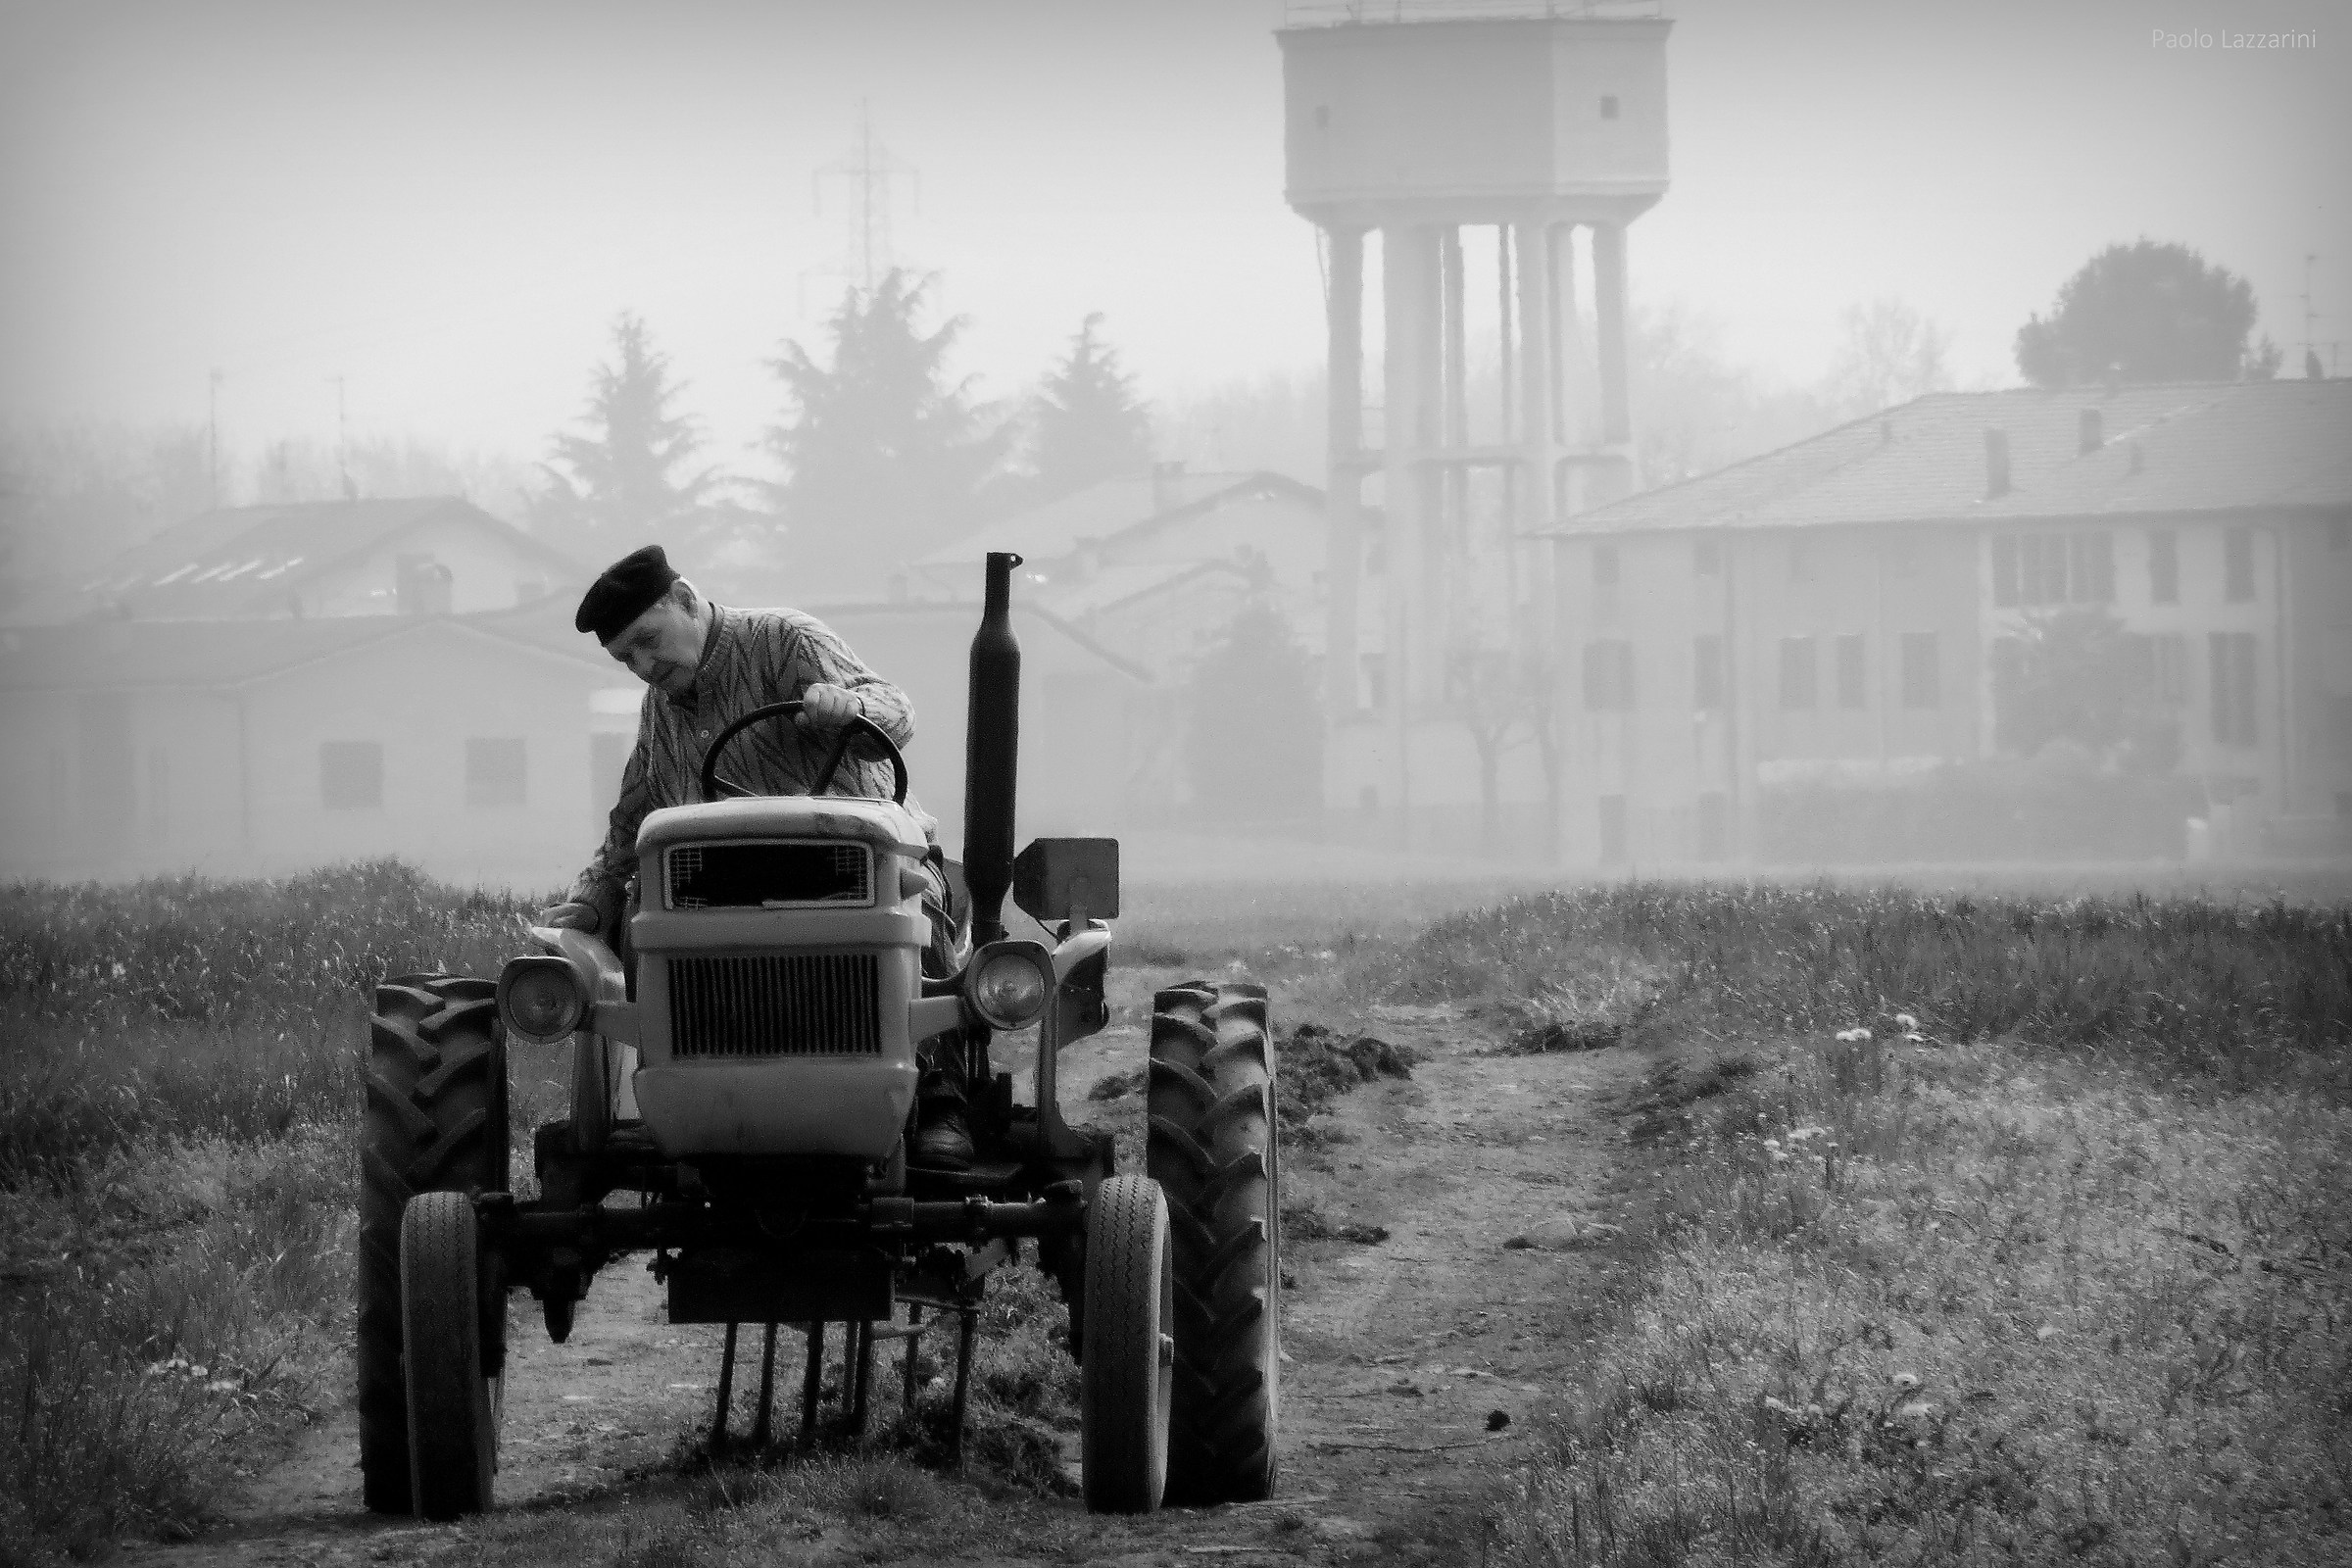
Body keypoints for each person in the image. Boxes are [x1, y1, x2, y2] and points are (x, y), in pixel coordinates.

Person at [541, 544, 977, 1167]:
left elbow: (896, 709)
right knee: (639, 922)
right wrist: (591, 897)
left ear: (686, 602)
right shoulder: (660, 709)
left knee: (918, 904)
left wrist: (849, 706)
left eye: (647, 639)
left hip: (853, 871)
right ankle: (697, 1094)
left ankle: (939, 1101)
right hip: (727, 886)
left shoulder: (784, 640)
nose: (643, 664)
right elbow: (632, 818)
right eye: (625, 657)